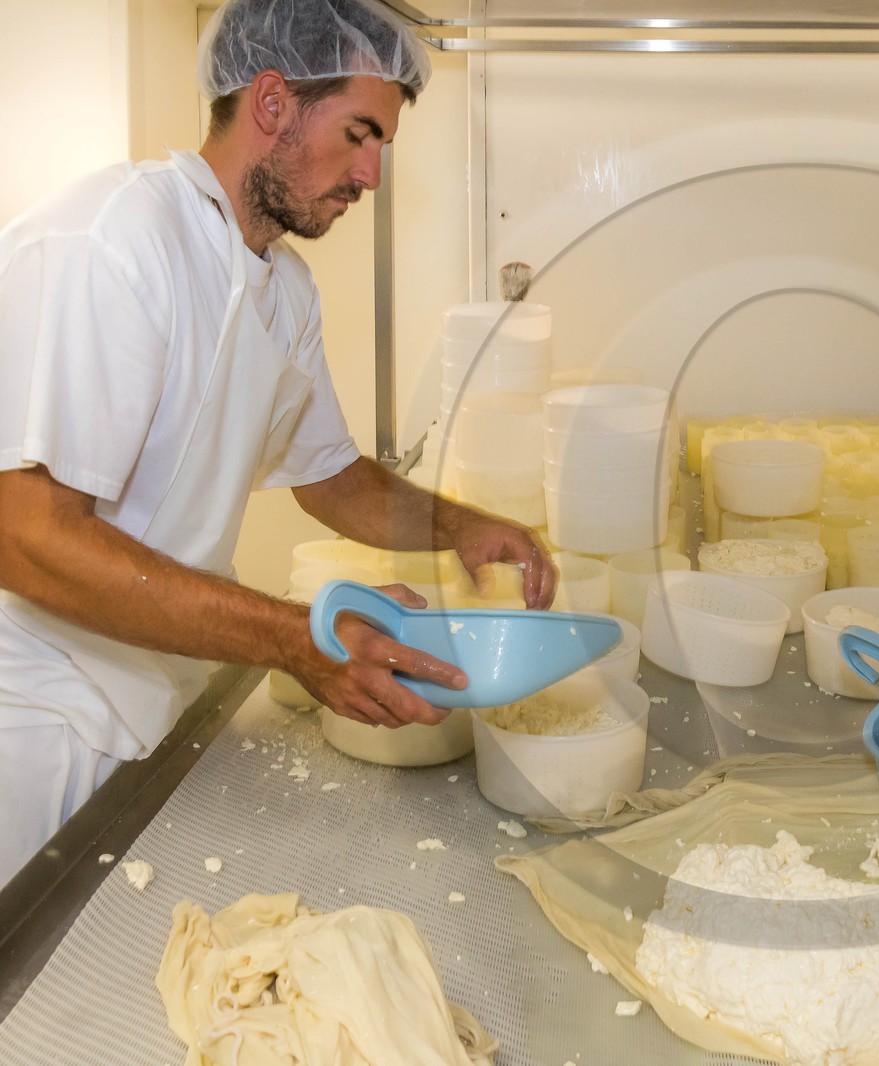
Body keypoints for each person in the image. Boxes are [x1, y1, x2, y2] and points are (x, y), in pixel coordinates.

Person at [0, 0, 556, 885]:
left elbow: (331, 478)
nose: (371, 174)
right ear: (271, 103)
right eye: (359, 134)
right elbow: (26, 538)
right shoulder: (113, 244)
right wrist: (298, 637)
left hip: (152, 700)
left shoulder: (284, 289)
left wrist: (464, 526)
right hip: (30, 724)